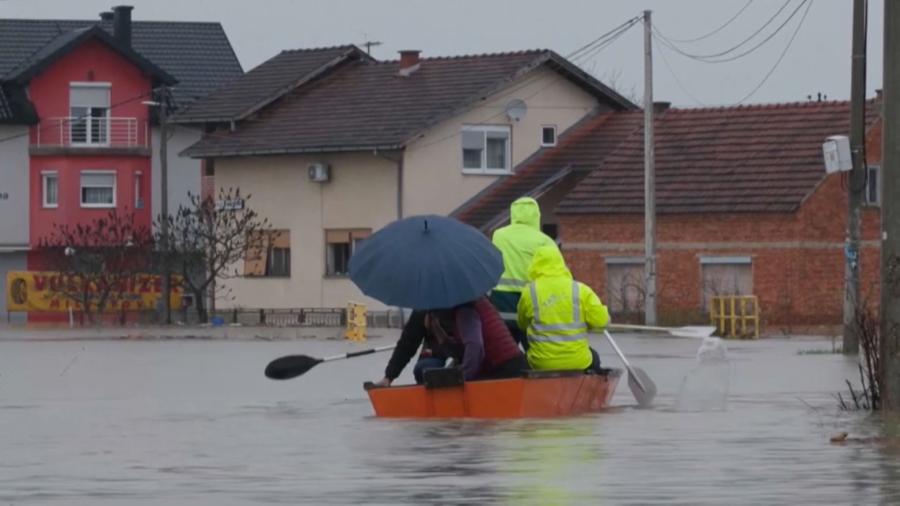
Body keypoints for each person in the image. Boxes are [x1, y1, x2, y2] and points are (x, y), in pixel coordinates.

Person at [517, 246, 609, 372]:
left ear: (535, 265)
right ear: (561, 263)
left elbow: (521, 324)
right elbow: (601, 323)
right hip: (578, 361)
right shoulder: (580, 290)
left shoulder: (529, 291)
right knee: (595, 358)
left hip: (541, 363)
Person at [489, 197, 559, 352]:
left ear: (513, 214)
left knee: (503, 353)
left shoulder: (498, 235)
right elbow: (555, 272)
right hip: (532, 302)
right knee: (535, 353)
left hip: (502, 301)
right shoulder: (545, 241)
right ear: (537, 216)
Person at [427, 296, 530, 381]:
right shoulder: (474, 301)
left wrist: (462, 377)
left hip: (504, 370)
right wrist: (436, 329)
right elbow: (461, 352)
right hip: (509, 366)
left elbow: (475, 347)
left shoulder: (465, 309)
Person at [372, 310, 450, 387]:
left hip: (459, 352)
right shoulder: (424, 308)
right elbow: (408, 341)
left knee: (460, 369)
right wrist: (389, 376)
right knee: (423, 369)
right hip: (437, 348)